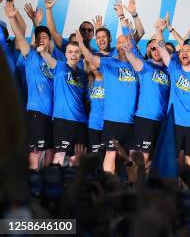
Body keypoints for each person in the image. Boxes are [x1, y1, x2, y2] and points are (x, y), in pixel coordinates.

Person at [4, 1, 60, 170]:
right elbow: (21, 39)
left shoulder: (56, 59)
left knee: (50, 151)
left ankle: (48, 184)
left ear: (50, 41)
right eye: (39, 37)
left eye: (45, 37)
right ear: (35, 41)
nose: (42, 39)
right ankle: (33, 185)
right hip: (37, 112)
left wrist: (38, 22)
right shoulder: (31, 57)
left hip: (54, 114)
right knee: (35, 152)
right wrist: (13, 18)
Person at [76, 29, 138, 174]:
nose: (122, 44)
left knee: (132, 156)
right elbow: (91, 58)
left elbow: (140, 33)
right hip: (112, 119)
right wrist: (81, 43)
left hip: (132, 120)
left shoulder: (137, 64)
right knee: (110, 153)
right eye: (120, 42)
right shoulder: (109, 62)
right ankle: (110, 183)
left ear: (131, 45)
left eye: (126, 41)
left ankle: (133, 187)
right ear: (116, 47)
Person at [154, 19, 190, 166]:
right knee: (172, 159)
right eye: (182, 51)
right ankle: (174, 186)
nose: (184, 52)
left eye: (188, 50)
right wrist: (158, 31)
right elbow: (162, 49)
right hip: (174, 122)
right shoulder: (174, 68)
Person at [37, 41, 88, 166]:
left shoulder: (84, 75)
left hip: (81, 121)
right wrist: (42, 50)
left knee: (77, 157)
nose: (73, 55)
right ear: (65, 54)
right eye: (70, 52)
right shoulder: (58, 66)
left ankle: (74, 184)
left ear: (81, 54)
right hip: (63, 120)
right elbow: (47, 57)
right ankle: (54, 182)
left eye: (76, 52)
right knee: (60, 154)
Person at [123, 37, 170, 164]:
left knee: (156, 158)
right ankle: (137, 183)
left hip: (162, 121)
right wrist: (128, 52)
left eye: (159, 48)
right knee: (143, 157)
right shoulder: (145, 66)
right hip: (145, 119)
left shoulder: (168, 71)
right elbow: (133, 59)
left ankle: (148, 183)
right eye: (153, 48)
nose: (156, 51)